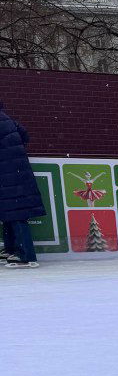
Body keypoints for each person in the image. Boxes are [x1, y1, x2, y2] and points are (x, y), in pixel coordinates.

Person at [0, 101, 44, 268]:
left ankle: (26, 255)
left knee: (15, 214)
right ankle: (10, 249)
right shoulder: (9, 120)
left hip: (8, 174)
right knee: (10, 213)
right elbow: (25, 136)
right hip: (16, 172)